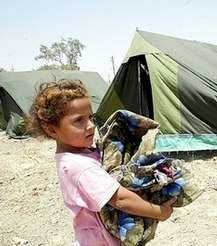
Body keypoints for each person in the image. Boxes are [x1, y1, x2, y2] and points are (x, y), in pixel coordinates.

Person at [27, 79, 176, 246]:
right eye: (78, 120)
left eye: (90, 117)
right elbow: (121, 200)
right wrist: (160, 212)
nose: (90, 125)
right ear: (51, 129)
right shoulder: (80, 167)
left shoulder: (81, 153)